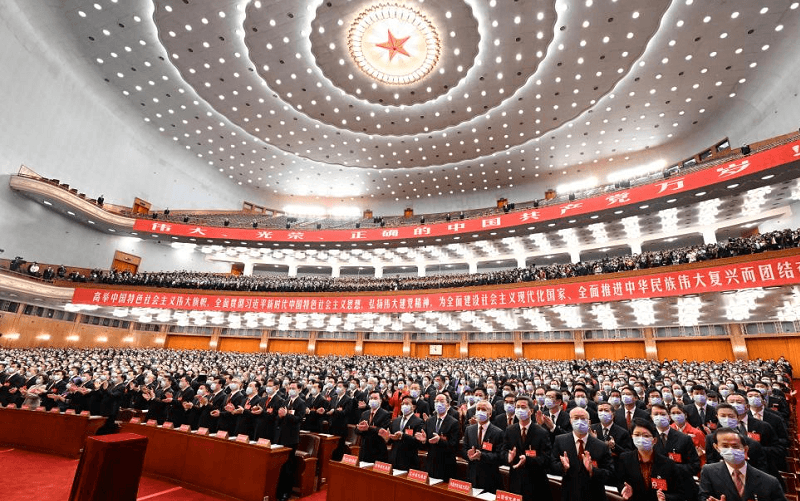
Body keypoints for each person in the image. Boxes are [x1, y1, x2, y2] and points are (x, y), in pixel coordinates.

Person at [698, 427, 787, 501]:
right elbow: (703, 497)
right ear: (717, 448)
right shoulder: (708, 472)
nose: (730, 450)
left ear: (745, 449)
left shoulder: (769, 481)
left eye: (735, 446)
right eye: (725, 446)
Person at [615, 418, 689, 501]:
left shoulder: (668, 464)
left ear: (654, 440)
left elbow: (680, 494)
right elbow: (620, 482)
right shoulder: (625, 459)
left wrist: (666, 498)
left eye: (646, 436)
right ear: (632, 437)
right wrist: (624, 490)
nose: (641, 439)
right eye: (637, 435)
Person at [550, 407, 614, 501]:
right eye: (576, 418)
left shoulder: (601, 445)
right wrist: (563, 467)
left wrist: (592, 470)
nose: (579, 421)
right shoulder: (560, 440)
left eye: (583, 418)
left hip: (594, 495)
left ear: (589, 422)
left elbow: (610, 474)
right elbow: (552, 466)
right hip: (569, 494)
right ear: (570, 421)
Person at [503, 395, 552, 501]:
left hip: (535, 483)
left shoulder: (541, 432)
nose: (520, 410)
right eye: (517, 407)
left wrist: (528, 460)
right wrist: (508, 457)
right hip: (515, 480)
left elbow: (546, 459)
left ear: (531, 411)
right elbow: (502, 451)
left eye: (523, 407)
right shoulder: (510, 430)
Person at [461, 400, 504, 493]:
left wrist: (481, 455)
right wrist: (468, 455)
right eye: (478, 409)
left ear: (490, 414)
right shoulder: (469, 429)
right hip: (472, 475)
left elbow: (499, 457)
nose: (480, 411)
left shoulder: (498, 432)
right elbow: (463, 449)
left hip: (489, 477)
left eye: (483, 409)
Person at [275, 381, 307, 501]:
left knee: (288, 466)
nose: (290, 390)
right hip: (281, 436)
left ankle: (286, 492)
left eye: (293, 388)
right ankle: (278, 489)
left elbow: (298, 419)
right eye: (289, 388)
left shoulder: (301, 403)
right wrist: (280, 416)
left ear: (299, 390)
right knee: (280, 465)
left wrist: (286, 415)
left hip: (291, 438)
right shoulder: (285, 401)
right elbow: (279, 417)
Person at [418, 392, 459, 481]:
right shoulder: (429, 421)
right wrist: (424, 441)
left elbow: (454, 446)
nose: (438, 403)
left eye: (441, 401)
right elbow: (426, 446)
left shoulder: (454, 422)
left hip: (446, 464)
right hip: (431, 462)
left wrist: (439, 440)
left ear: (447, 404)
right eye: (436, 401)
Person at [384, 395, 424, 471]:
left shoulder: (419, 422)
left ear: (414, 407)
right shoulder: (395, 421)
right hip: (394, 459)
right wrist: (386, 438)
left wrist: (403, 436)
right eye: (402, 404)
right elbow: (391, 440)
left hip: (408, 460)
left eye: (407, 404)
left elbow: (418, 443)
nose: (404, 406)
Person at [355, 390, 391, 463]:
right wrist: (359, 429)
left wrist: (368, 428)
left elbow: (382, 431)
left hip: (377, 449)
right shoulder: (365, 413)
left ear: (380, 401)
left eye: (375, 398)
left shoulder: (385, 414)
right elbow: (356, 429)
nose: (372, 400)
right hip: (364, 449)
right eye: (371, 398)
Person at [326, 380, 352, 461]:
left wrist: (335, 411)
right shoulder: (333, 397)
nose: (338, 388)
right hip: (331, 425)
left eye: (340, 387)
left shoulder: (348, 399)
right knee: (331, 446)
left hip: (341, 427)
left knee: (339, 447)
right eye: (337, 386)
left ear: (344, 389)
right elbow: (329, 409)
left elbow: (346, 412)